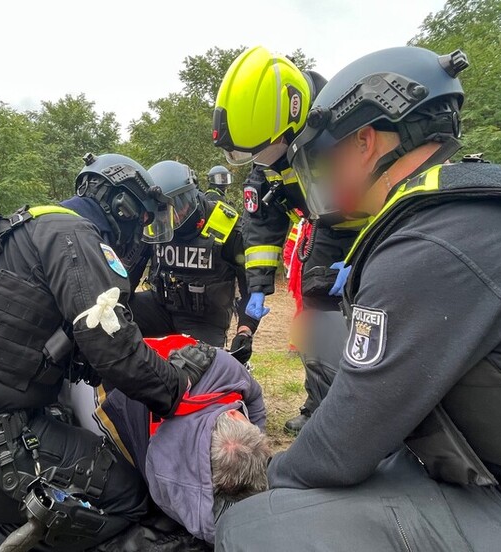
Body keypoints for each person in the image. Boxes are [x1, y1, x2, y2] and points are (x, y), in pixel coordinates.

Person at [216, 46, 501, 552]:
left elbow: (341, 447)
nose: (320, 179)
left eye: (324, 158)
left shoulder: (429, 244)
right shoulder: (479, 207)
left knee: (255, 526)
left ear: (364, 142)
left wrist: (261, 480)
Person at [0, 153, 218, 552]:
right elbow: (117, 353)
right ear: (124, 207)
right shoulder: (76, 237)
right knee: (129, 497)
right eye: (144, 220)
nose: (142, 235)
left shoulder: (28, 224)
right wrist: (179, 383)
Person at [213, 46, 366, 434]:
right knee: (315, 316)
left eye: (263, 149)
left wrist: (369, 252)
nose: (261, 160)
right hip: (327, 230)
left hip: (376, 227)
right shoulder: (270, 162)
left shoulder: (348, 130)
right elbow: (261, 226)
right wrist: (259, 288)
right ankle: (319, 408)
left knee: (375, 320)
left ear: (292, 122)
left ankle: (370, 411)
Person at [94, 338, 270, 544]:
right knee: (139, 488)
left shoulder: (227, 368)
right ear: (201, 464)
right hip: (118, 388)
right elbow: (182, 509)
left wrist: (259, 429)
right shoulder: (164, 463)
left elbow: (255, 396)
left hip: (170, 358)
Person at [129, 160, 258, 362]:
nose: (168, 218)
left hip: (205, 319)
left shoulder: (226, 225)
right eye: (161, 210)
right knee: (118, 320)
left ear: (189, 198)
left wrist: (245, 331)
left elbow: (249, 283)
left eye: (174, 208)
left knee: (192, 372)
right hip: (160, 307)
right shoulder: (155, 223)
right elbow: (134, 269)